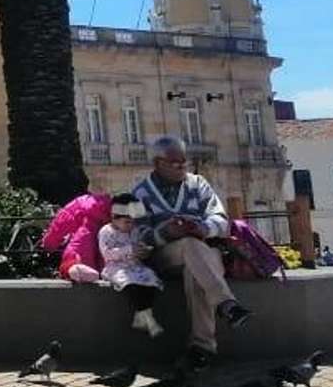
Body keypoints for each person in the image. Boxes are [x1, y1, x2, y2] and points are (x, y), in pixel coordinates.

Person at [131, 135, 250, 369]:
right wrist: (166, 232)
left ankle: (201, 349)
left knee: (195, 264)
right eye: (174, 162)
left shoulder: (198, 184)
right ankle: (227, 305)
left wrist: (202, 228)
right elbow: (137, 235)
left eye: (184, 162)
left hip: (202, 251)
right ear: (157, 163)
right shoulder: (140, 193)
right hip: (164, 256)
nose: (181, 167)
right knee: (189, 246)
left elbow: (222, 220)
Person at [98, 194, 164, 337]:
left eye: (133, 222)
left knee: (151, 280)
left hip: (136, 266)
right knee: (131, 284)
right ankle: (148, 318)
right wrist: (128, 249)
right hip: (115, 268)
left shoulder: (134, 231)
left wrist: (144, 252)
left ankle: (141, 316)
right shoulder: (106, 232)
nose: (131, 225)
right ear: (114, 218)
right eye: (127, 222)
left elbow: (139, 247)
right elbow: (107, 253)